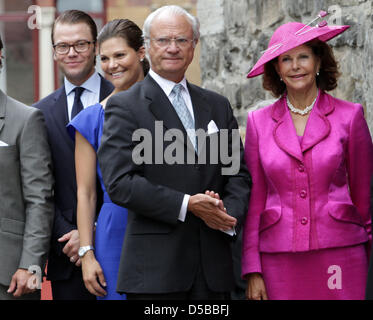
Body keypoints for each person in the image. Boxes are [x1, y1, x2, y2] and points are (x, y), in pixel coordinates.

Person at [97, 5, 251, 300]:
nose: (172, 48)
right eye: (163, 40)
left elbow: (237, 174)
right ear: (146, 47)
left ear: (194, 45)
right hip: (156, 273)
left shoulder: (217, 105)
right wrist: (187, 204)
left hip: (214, 269)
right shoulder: (126, 106)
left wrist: (226, 215)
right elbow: (119, 182)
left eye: (182, 40)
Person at [242, 17, 373, 300]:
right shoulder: (258, 123)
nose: (295, 66)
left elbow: (365, 200)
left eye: (303, 56)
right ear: (276, 69)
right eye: (285, 59)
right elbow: (255, 200)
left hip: (342, 253)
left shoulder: (350, 116)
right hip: (277, 258)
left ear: (317, 62)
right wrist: (253, 269)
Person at [33, 10, 114, 300]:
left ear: (95, 47)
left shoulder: (122, 99)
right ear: (54, 51)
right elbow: (38, 189)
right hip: (65, 254)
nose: (72, 53)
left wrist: (91, 232)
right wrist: (72, 234)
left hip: (119, 244)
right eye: (63, 46)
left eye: (81, 44)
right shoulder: (38, 114)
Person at [67, 19, 148, 300]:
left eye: (119, 55)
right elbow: (86, 193)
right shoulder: (89, 120)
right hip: (114, 233)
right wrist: (87, 253)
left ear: (141, 52)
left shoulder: (172, 108)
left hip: (168, 225)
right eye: (104, 58)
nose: (112, 65)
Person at [0, 35, 54, 300]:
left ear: (0, 59)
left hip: (9, 275)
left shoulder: (26, 119)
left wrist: (30, 266)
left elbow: (39, 200)